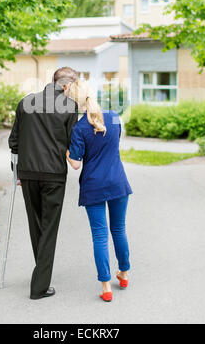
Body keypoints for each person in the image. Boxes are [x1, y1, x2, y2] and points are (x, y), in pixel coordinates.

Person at [9, 67, 78, 300]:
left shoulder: (25, 102)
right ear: (67, 86)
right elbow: (72, 143)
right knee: (49, 229)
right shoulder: (70, 107)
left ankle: (41, 272)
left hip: (27, 173)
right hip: (53, 175)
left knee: (36, 224)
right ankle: (39, 287)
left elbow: (14, 142)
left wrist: (17, 172)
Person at [67, 80, 133, 302]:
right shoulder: (114, 117)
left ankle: (106, 286)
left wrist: (65, 151)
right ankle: (124, 273)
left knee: (100, 235)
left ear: (76, 101)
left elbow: (75, 164)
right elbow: (113, 145)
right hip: (118, 183)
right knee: (119, 229)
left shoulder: (79, 127)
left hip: (94, 186)